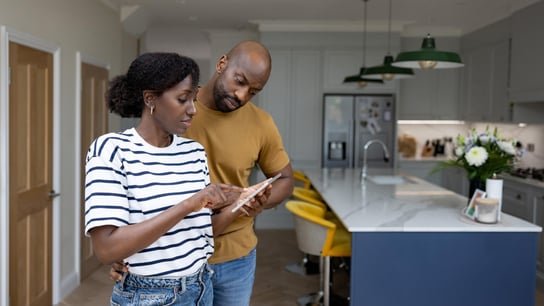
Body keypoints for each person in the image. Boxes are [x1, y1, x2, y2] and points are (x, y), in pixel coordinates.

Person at [110, 41, 295, 306]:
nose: (242, 95)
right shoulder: (173, 109)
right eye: (239, 81)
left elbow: (286, 180)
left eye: (254, 91)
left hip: (235, 259)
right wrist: (130, 252)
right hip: (173, 259)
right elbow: (140, 187)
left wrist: (255, 200)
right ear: (222, 64)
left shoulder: (261, 123)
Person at [85, 52, 257, 306]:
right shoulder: (112, 150)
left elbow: (196, 233)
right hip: (149, 296)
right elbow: (107, 249)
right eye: (182, 100)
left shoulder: (194, 152)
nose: (193, 110)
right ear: (150, 98)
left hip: (201, 287)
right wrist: (190, 203)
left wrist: (239, 205)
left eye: (194, 99)